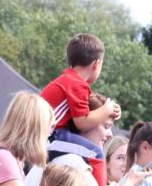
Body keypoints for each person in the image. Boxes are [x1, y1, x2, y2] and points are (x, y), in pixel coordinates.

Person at [39, 33, 119, 173]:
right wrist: (107, 109)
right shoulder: (77, 84)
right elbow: (82, 122)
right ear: (96, 64)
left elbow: (88, 109)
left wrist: (111, 109)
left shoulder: (70, 80)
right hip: (50, 136)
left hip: (50, 134)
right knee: (96, 153)